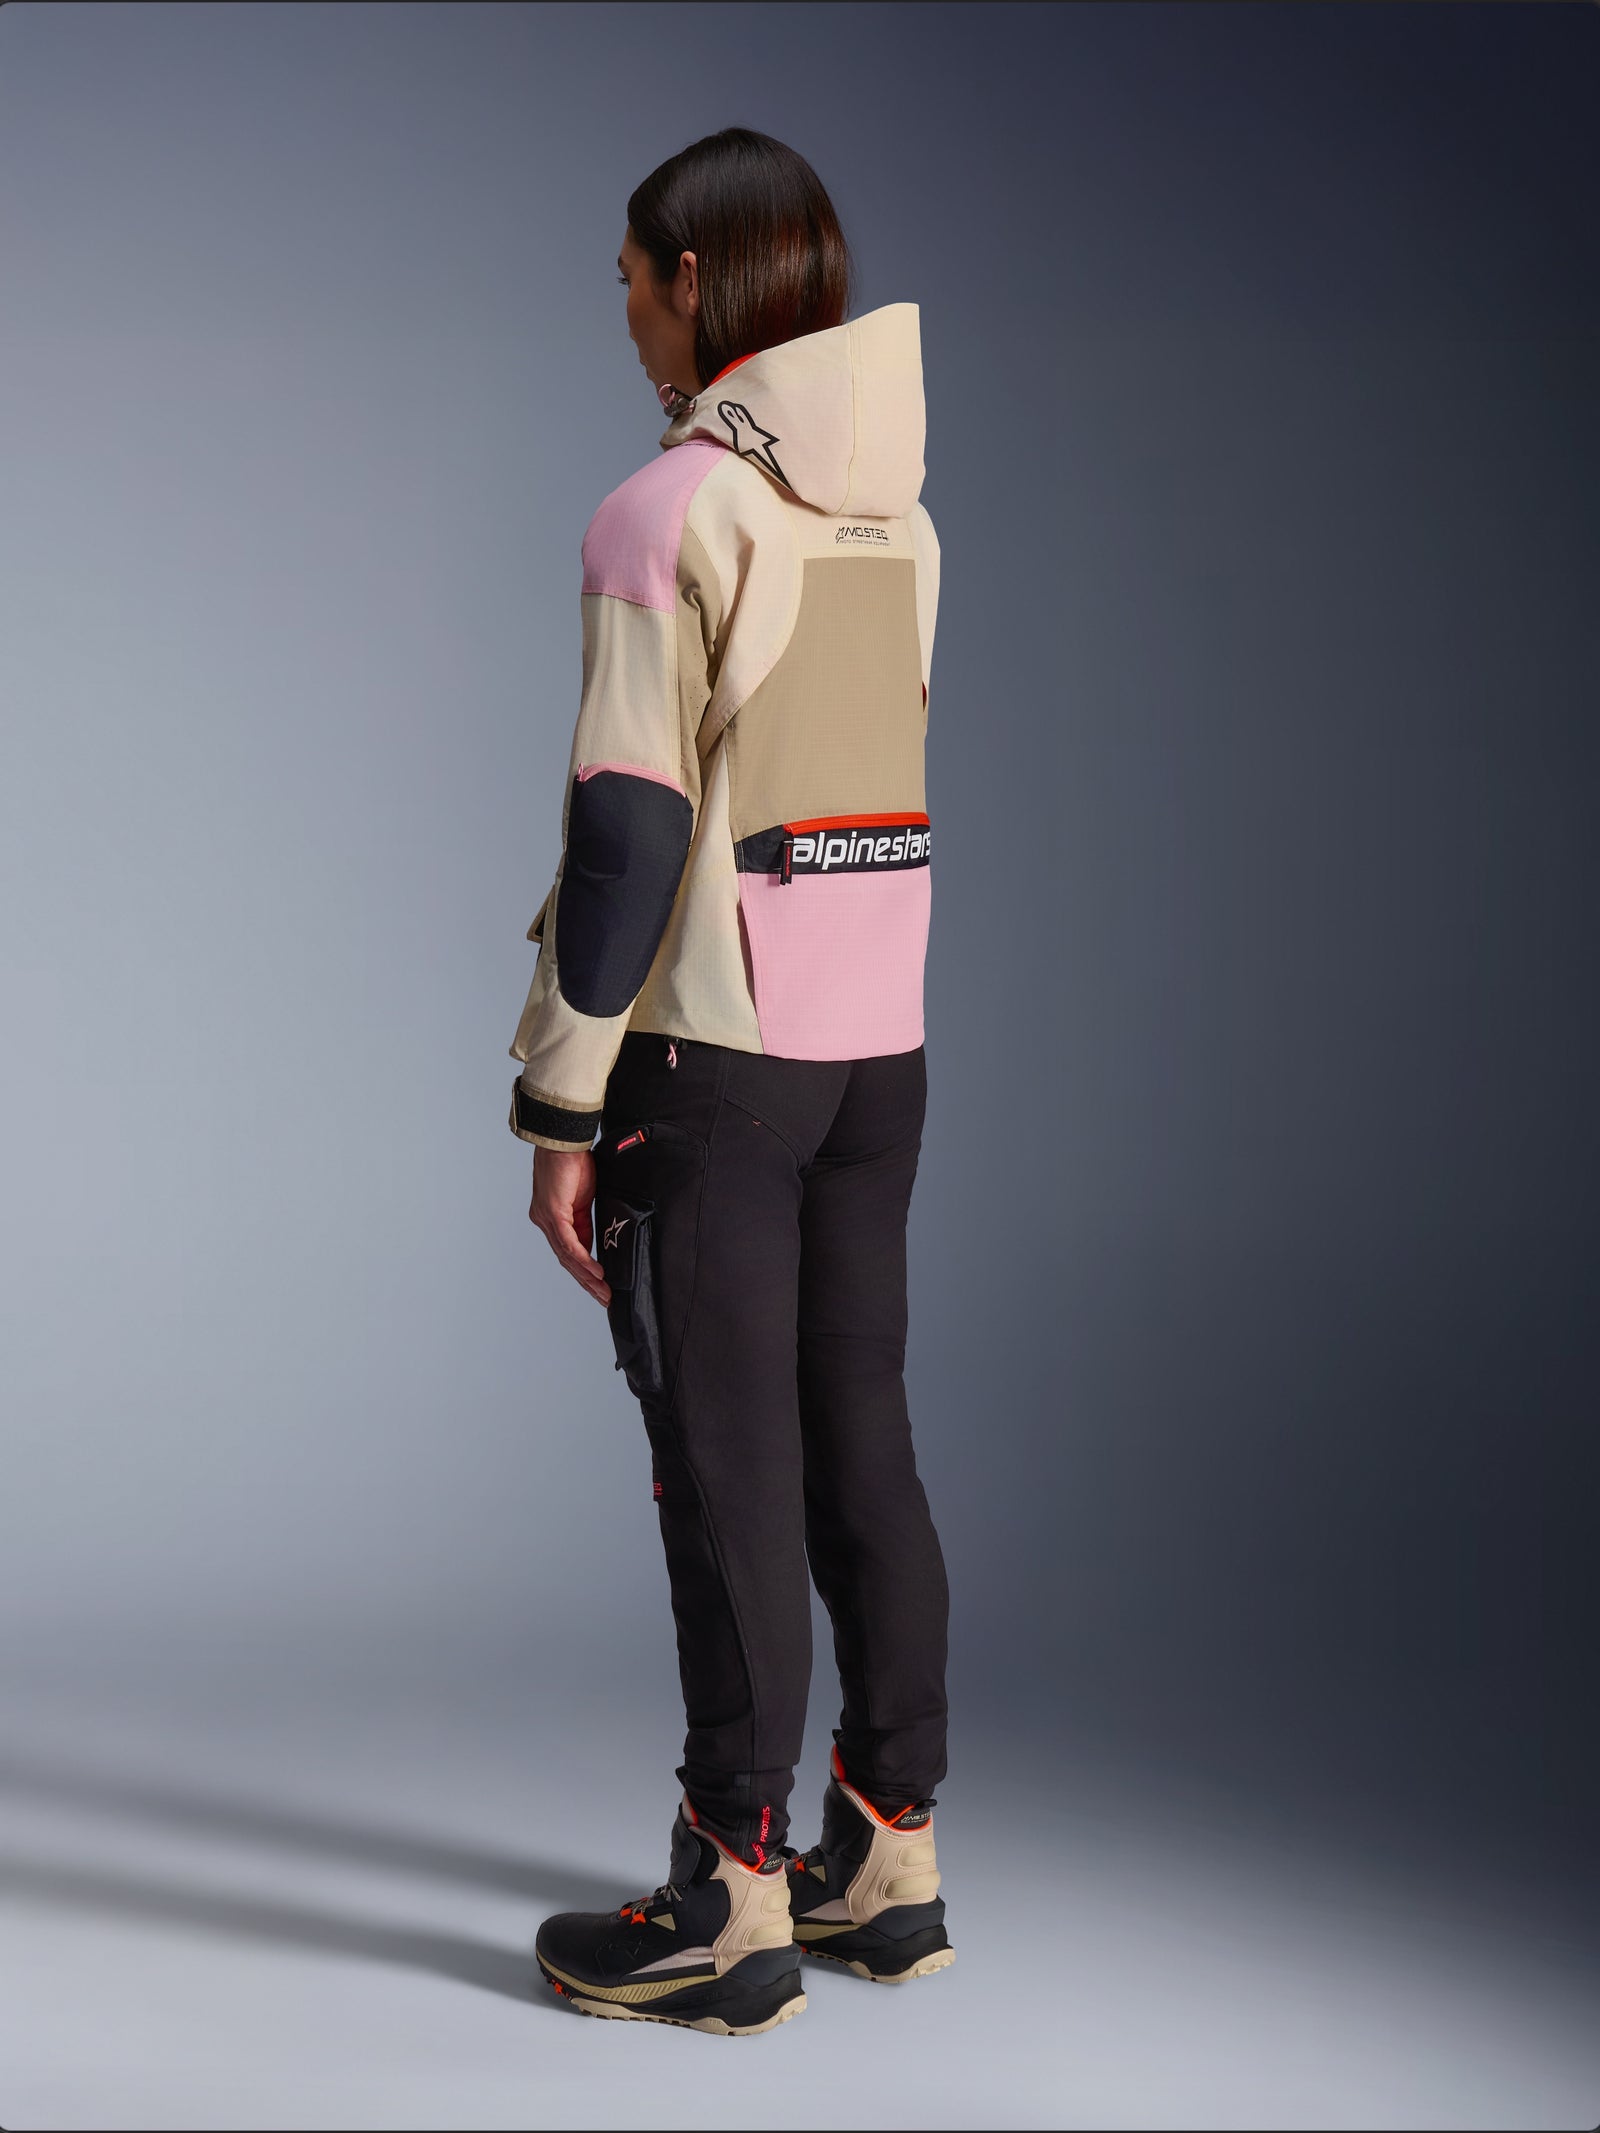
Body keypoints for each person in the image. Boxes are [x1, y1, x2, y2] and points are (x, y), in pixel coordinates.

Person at [508, 127, 951, 2037]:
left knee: (728, 1467)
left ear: (696, 281)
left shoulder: (665, 512)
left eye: (629, 279)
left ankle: (729, 1888)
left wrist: (559, 1106)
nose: (621, 314)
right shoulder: (900, 522)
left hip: (711, 1066)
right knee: (860, 1439)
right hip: (877, 1059)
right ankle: (889, 1852)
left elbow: (629, 834)